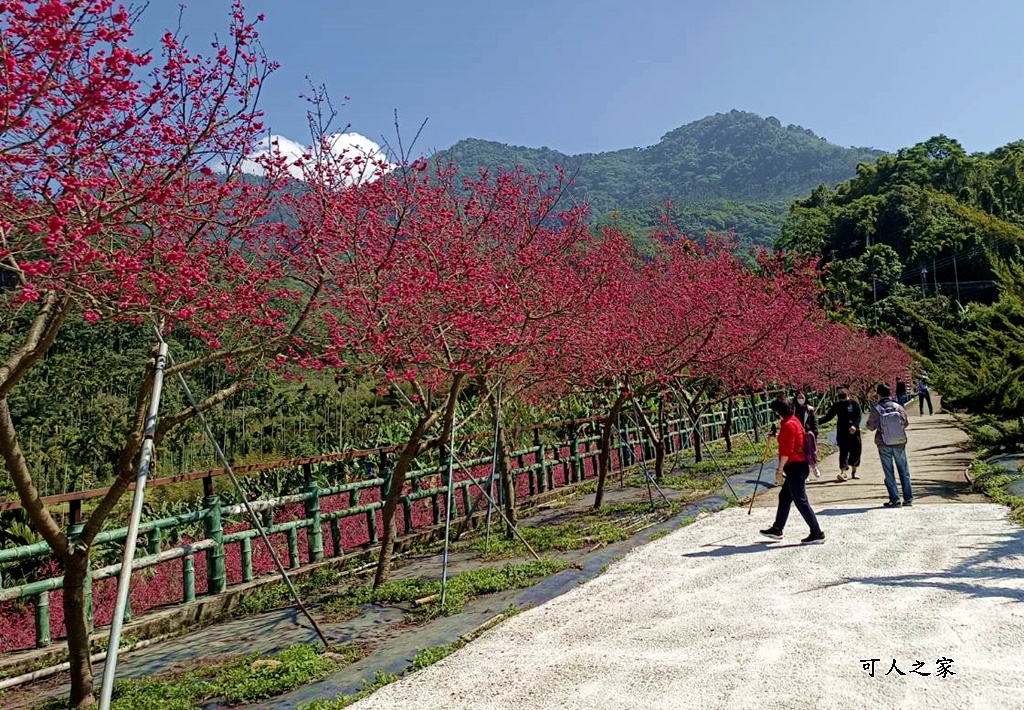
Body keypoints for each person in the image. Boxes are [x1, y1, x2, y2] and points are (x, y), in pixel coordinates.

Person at [760, 396, 825, 544]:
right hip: (797, 466)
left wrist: (779, 470)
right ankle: (777, 529)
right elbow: (793, 440)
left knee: (801, 501)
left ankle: (817, 533)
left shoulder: (788, 424)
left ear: (777, 411)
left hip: (795, 466)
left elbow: (787, 451)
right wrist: (776, 435)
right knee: (785, 496)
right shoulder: (793, 421)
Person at [866, 383, 913, 508]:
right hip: (899, 443)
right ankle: (908, 499)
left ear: (878, 394)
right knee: (904, 471)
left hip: (883, 443)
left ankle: (895, 499)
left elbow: (870, 426)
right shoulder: (898, 407)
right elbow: (906, 423)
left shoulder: (876, 408)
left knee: (889, 472)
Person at [818, 387, 862, 481]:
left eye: (844, 397)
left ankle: (854, 472)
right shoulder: (837, 405)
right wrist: (816, 422)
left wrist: (854, 426)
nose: (843, 400)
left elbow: (858, 416)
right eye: (841, 398)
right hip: (842, 432)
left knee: (856, 451)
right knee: (843, 452)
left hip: (854, 431)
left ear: (848, 395)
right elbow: (829, 416)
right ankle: (843, 472)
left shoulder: (854, 404)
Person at [794, 391, 821, 477]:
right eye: (799, 397)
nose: (800, 399)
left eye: (802, 397)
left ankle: (815, 467)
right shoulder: (794, 410)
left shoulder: (810, 409)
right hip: (799, 435)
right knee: (803, 454)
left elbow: (815, 420)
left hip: (810, 434)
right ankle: (806, 474)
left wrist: (815, 431)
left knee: (812, 452)